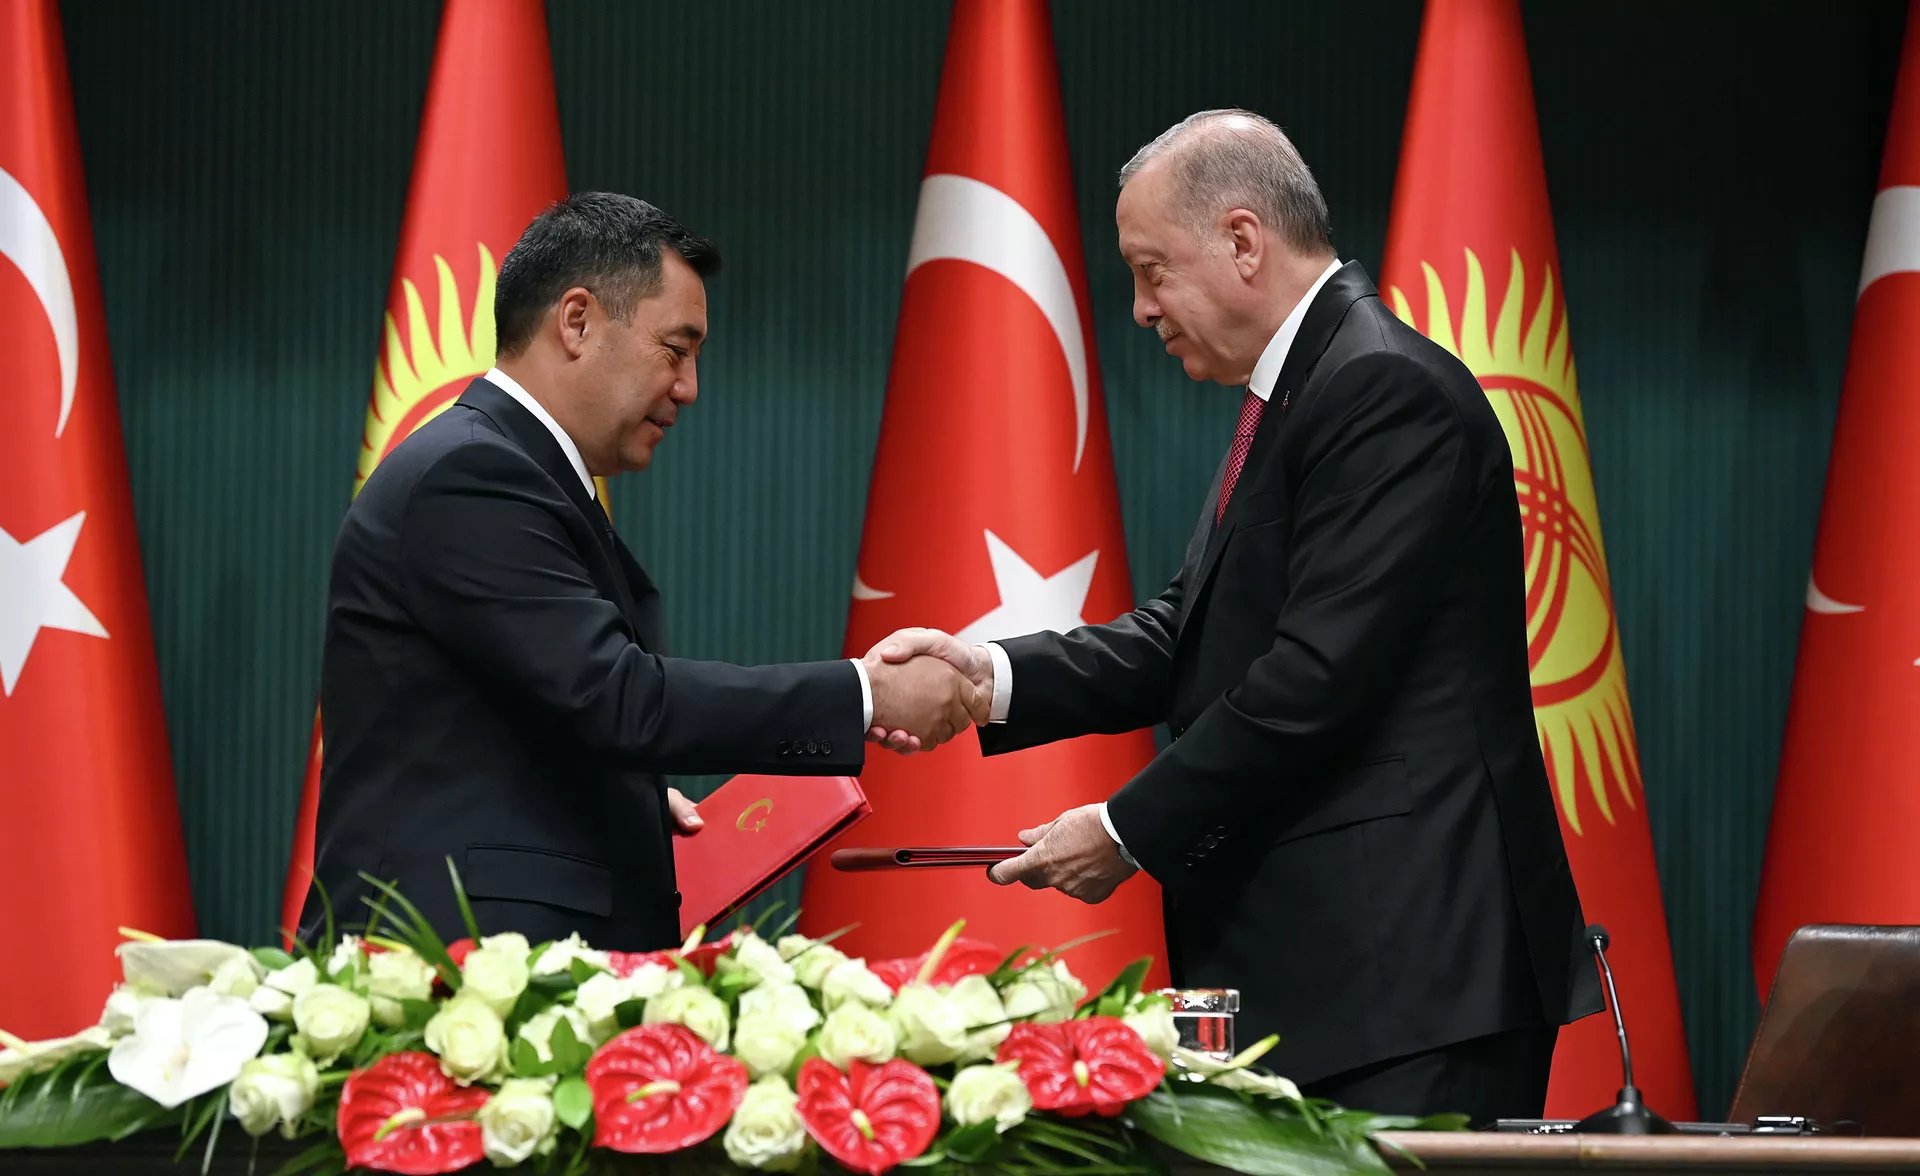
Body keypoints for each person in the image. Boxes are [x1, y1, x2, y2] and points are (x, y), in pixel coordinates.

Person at [872, 111, 1600, 1123]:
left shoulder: (1380, 388)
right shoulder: (1309, 389)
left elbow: (1314, 679)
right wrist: (986, 678)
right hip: (1346, 978)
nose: (1140, 309)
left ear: (1244, 241)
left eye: (1151, 271)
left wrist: (1123, 830)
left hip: (1410, 978)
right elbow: (1192, 633)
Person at [302, 192, 983, 952]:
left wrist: (618, 798)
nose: (689, 387)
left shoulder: (514, 470)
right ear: (577, 322)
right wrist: (865, 693)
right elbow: (616, 697)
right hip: (446, 968)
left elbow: (515, 720)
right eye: (675, 349)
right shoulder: (472, 474)